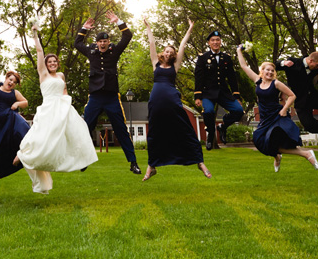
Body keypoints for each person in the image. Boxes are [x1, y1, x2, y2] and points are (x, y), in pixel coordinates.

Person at [13, 23, 99, 194]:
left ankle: (81, 161)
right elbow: (39, 52)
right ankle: (22, 156)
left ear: (57, 64)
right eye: (49, 61)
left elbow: (64, 90)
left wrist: (68, 105)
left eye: (54, 61)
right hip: (48, 108)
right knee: (41, 137)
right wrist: (36, 35)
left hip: (63, 106)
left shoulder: (61, 75)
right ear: (45, 64)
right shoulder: (43, 74)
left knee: (78, 130)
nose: (52, 63)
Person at [142, 18, 211, 181]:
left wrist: (190, 29)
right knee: (155, 132)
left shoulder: (175, 66)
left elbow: (183, 46)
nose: (169, 53)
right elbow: (152, 44)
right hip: (156, 101)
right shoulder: (155, 64)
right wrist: (148, 27)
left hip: (172, 101)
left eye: (171, 52)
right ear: (163, 53)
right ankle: (151, 167)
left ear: (173, 56)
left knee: (185, 128)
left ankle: (199, 162)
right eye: (166, 51)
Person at [74, 10, 140, 175]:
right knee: (85, 127)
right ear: (96, 43)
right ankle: (84, 160)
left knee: (121, 129)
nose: (102, 44)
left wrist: (119, 22)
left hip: (111, 97)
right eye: (100, 42)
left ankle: (133, 163)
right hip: (95, 97)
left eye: (105, 41)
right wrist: (84, 28)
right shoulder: (91, 52)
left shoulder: (114, 52)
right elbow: (77, 43)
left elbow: (127, 36)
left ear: (109, 42)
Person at [237, 46, 318, 171]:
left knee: (275, 140)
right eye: (267, 70)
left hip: (277, 116)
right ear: (262, 71)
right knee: (259, 141)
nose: (270, 72)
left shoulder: (276, 83)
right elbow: (244, 66)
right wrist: (238, 51)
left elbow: (292, 95)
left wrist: (284, 109)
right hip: (265, 118)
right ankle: (277, 156)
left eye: (272, 71)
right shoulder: (258, 81)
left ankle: (306, 154)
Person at [0, 45, 30, 202]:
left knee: (24, 132)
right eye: (10, 79)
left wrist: (17, 104)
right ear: (6, 79)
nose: (11, 82)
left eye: (14, 81)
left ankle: (21, 155)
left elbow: (25, 102)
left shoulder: (14, 93)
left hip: (10, 122)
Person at [193, 30, 244, 150]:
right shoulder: (202, 58)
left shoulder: (226, 58)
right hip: (207, 93)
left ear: (220, 42)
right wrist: (198, 96)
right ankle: (210, 133)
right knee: (209, 111)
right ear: (209, 43)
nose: (215, 42)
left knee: (239, 111)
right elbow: (198, 77)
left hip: (223, 92)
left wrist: (236, 96)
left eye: (217, 40)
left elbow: (232, 78)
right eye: (213, 40)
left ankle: (223, 126)